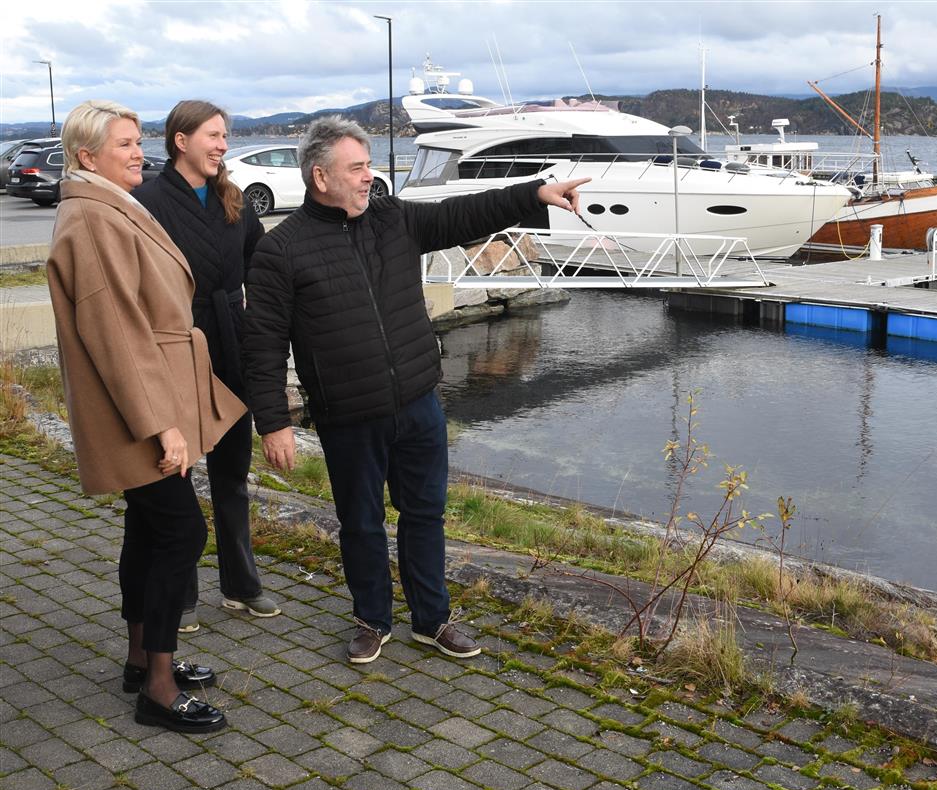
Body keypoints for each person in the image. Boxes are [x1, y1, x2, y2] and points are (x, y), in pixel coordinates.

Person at [243, 115, 587, 664]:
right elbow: (260, 345)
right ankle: (371, 619)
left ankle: (432, 620)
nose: (367, 177)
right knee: (361, 521)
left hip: (418, 401)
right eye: (356, 168)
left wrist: (534, 192)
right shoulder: (280, 250)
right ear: (320, 176)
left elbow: (464, 213)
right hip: (348, 413)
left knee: (425, 514)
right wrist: (274, 422)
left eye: (368, 165)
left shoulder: (392, 219)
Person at [46, 100, 245, 732]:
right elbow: (117, 332)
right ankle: (158, 690)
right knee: (179, 533)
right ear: (88, 156)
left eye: (138, 142)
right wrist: (162, 425)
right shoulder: (93, 219)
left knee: (149, 526)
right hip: (138, 409)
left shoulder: (106, 207)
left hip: (148, 398)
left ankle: (141, 659)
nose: (139, 152)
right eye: (125, 144)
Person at [133, 100, 279, 631]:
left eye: (225, 137)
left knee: (233, 473)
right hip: (175, 345)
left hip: (230, 342)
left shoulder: (231, 198)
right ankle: (183, 595)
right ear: (180, 140)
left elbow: (263, 260)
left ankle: (241, 586)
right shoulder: (145, 200)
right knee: (181, 471)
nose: (222, 145)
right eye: (214, 136)